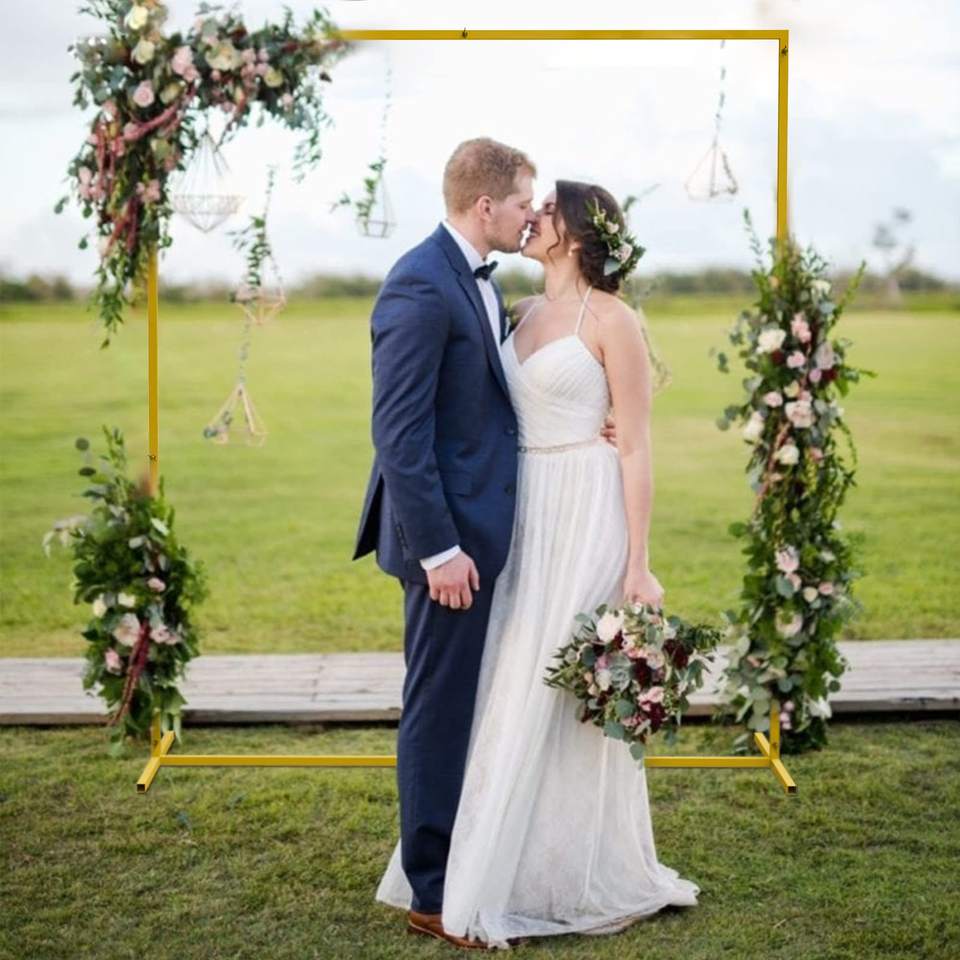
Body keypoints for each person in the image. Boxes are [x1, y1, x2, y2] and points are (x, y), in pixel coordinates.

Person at [372, 178, 700, 949]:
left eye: (547, 209)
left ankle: (567, 868)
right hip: (518, 517)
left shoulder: (613, 320)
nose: (533, 217)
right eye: (531, 203)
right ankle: (498, 861)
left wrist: (640, 563)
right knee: (509, 679)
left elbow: (637, 444)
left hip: (585, 514)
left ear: (576, 234)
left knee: (558, 686)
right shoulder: (513, 310)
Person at [354, 139, 617, 949]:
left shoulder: (482, 281)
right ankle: (434, 895)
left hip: (492, 534)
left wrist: (592, 423)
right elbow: (399, 436)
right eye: (524, 203)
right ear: (485, 207)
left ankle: (468, 862)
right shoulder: (420, 283)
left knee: (467, 705)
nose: (531, 216)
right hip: (448, 548)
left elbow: (495, 404)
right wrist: (438, 552)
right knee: (438, 712)